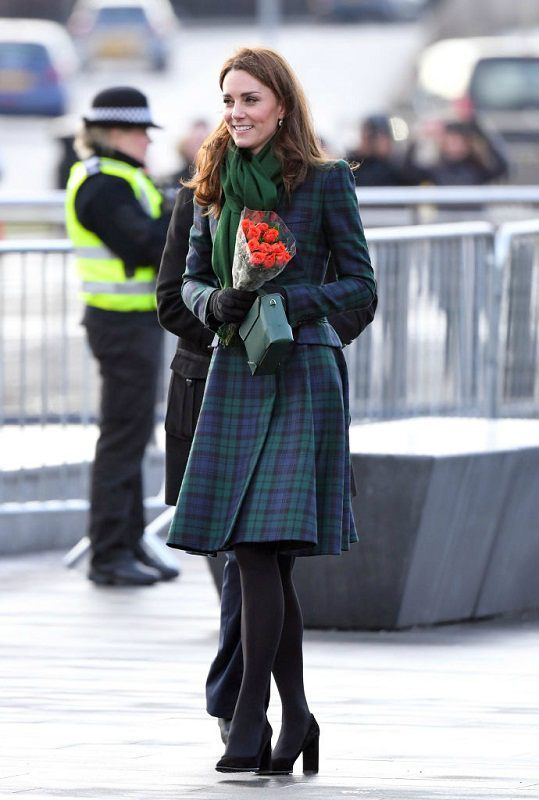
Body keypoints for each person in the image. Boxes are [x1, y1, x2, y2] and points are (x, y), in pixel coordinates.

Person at [162, 46, 376, 775]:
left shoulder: (324, 182)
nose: (236, 112)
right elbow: (187, 281)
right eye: (228, 100)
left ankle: (251, 718)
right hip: (234, 374)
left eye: (249, 100)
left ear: (280, 105)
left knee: (260, 548)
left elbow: (359, 288)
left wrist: (285, 301)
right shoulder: (212, 183)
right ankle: (299, 719)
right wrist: (213, 301)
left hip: (301, 373)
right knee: (260, 554)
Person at [65, 86, 179, 587]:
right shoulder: (103, 185)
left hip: (132, 322)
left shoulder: (121, 176)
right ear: (113, 133)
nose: (148, 142)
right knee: (122, 438)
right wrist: (183, 210)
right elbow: (148, 242)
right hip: (120, 324)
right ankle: (109, 553)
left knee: (132, 436)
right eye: (139, 132)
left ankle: (129, 541)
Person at [405, 118, 509, 186]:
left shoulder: (477, 167)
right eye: (451, 141)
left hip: (474, 217)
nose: (456, 146)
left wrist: (476, 127)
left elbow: (501, 168)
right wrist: (418, 138)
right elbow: (410, 173)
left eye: (460, 141)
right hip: (444, 218)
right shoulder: (436, 168)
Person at [346, 113, 412, 186]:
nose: (369, 141)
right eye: (367, 136)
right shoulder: (352, 166)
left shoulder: (398, 168)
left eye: (373, 136)